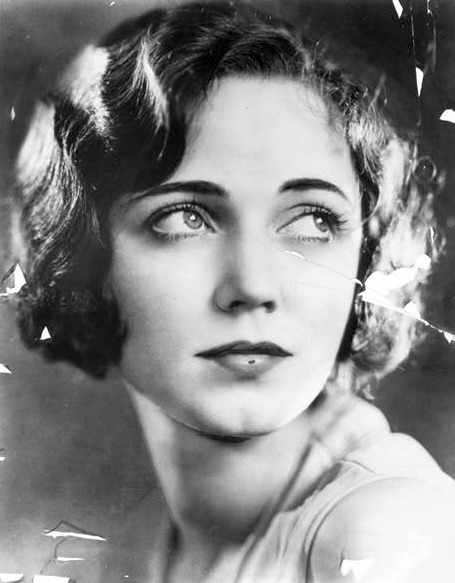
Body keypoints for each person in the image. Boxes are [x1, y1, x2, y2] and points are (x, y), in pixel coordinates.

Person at [10, 1, 455, 581]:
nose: (253, 286)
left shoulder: (383, 531)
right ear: (84, 254)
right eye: (185, 218)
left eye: (313, 220)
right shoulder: (165, 537)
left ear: (365, 260)